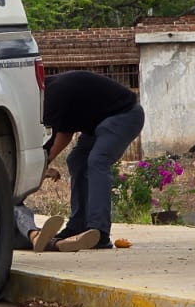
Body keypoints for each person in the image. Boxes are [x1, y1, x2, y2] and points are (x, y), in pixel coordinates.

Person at [37, 69, 146, 251]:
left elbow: (56, 136)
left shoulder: (51, 96)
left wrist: (41, 165)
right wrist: (42, 164)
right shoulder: (49, 92)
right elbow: (58, 135)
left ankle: (99, 232)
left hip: (125, 115)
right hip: (99, 124)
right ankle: (77, 226)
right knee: (77, 160)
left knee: (97, 160)